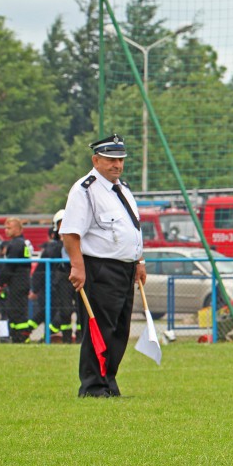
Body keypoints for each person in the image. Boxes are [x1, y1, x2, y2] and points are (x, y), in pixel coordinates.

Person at [60, 134, 145, 398]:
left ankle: (108, 382)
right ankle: (93, 387)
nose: (117, 165)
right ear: (96, 160)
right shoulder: (85, 190)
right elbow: (71, 233)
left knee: (120, 330)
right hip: (100, 268)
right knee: (100, 328)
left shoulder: (123, 188)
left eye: (120, 160)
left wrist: (139, 261)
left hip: (125, 268)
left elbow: (133, 228)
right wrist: (78, 267)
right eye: (110, 160)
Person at [30, 210, 77, 343]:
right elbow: (41, 269)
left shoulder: (80, 242)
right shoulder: (53, 248)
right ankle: (66, 339)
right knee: (65, 311)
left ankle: (80, 337)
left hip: (79, 278)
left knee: (81, 311)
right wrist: (35, 288)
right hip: (60, 283)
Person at [0, 217, 35, 343]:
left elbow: (9, 266)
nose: (6, 230)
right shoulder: (21, 242)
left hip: (17, 282)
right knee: (14, 310)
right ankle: (16, 336)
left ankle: (21, 337)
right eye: (5, 228)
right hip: (21, 281)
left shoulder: (15, 244)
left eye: (9, 228)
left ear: (18, 229)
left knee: (17, 311)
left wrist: (1, 282)